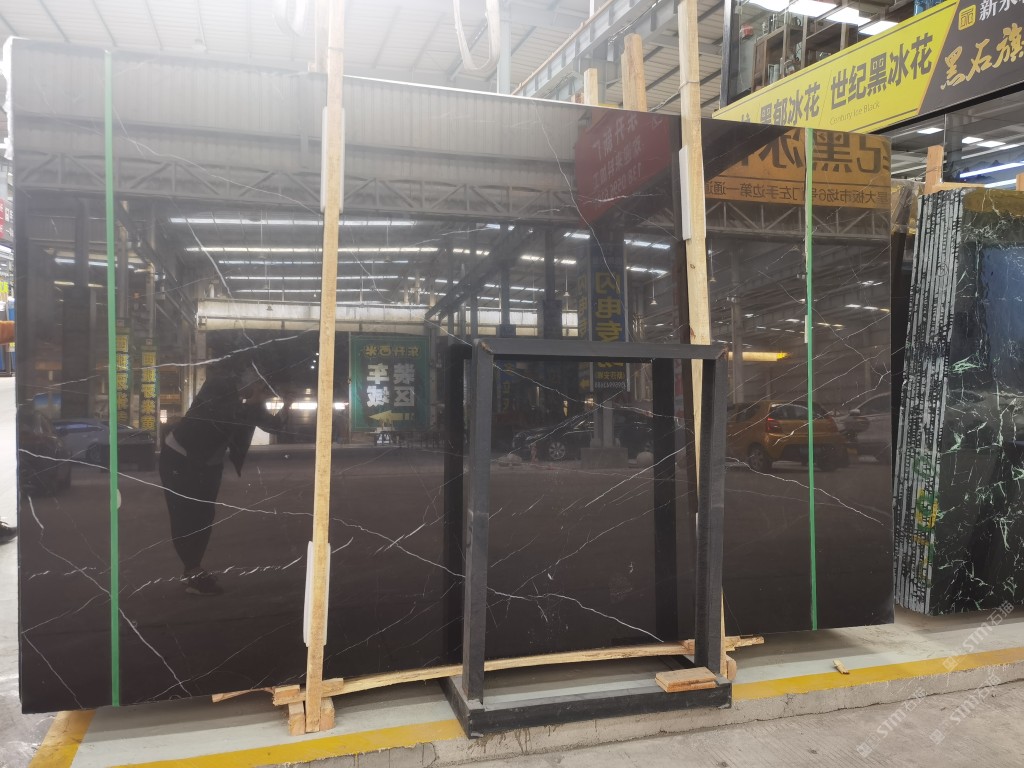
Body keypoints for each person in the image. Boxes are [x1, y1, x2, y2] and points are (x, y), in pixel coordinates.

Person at [159, 363, 290, 595]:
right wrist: (253, 402)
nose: (260, 388)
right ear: (247, 376)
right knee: (185, 516)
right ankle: (192, 571)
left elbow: (274, 426)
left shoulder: (249, 402)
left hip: (208, 464)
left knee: (204, 516)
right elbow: (222, 415)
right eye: (258, 382)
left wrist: (287, 404)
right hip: (180, 458)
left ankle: (193, 570)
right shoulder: (218, 384)